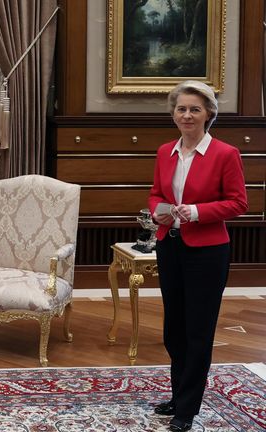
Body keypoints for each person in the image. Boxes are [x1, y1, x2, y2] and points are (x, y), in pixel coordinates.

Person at [149, 80, 248, 431]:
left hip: (207, 253)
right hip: (170, 245)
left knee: (198, 331)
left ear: (208, 114)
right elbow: (156, 193)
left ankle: (187, 410)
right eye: (181, 109)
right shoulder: (164, 152)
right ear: (174, 115)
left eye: (194, 109)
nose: (187, 115)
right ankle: (180, 394)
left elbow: (239, 203)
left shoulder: (225, 154)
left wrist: (196, 212)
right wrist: (158, 209)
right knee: (174, 330)